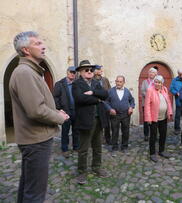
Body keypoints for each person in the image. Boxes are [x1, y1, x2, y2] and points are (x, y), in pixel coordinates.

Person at [9, 31, 69, 203]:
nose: (43, 46)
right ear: (26, 50)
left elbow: (38, 105)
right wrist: (59, 118)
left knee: (28, 186)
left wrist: (56, 112)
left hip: (35, 139)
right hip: (35, 141)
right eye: (37, 43)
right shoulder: (24, 73)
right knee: (34, 193)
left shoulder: (30, 71)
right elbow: (36, 110)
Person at [72, 60, 109, 184]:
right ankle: (82, 172)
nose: (89, 72)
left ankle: (96, 167)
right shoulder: (77, 84)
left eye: (91, 70)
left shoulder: (96, 83)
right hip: (86, 121)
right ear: (81, 72)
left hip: (99, 120)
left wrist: (93, 93)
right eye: (86, 70)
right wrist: (97, 100)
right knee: (83, 149)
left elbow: (105, 94)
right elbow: (80, 98)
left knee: (98, 147)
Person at [144, 75, 173, 162]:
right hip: (153, 118)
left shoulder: (164, 89)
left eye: (159, 82)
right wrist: (148, 118)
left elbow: (168, 101)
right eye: (155, 82)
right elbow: (147, 105)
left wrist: (170, 112)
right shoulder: (150, 90)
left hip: (163, 117)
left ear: (162, 83)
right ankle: (152, 153)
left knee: (163, 135)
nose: (157, 84)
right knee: (153, 136)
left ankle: (161, 150)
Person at [53, 66, 79, 158]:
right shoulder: (59, 84)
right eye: (71, 72)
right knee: (65, 131)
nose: (73, 74)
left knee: (76, 130)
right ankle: (65, 149)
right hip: (65, 112)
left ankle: (76, 147)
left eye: (74, 72)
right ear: (67, 72)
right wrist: (59, 109)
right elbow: (55, 97)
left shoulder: (77, 84)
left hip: (76, 111)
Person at [106, 75, 135, 152]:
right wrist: (110, 109)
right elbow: (106, 102)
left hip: (126, 114)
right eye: (117, 81)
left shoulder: (127, 91)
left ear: (123, 82)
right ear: (115, 82)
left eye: (120, 82)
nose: (118, 83)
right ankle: (114, 147)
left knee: (125, 131)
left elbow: (132, 100)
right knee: (114, 131)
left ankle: (124, 147)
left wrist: (131, 107)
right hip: (114, 115)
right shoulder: (110, 91)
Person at [93, 65, 112, 145]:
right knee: (97, 123)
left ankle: (108, 139)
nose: (101, 70)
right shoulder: (92, 80)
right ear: (95, 71)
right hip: (97, 104)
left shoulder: (105, 80)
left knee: (107, 123)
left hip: (106, 104)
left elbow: (109, 90)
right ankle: (96, 139)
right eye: (99, 69)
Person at [141, 67, 158, 141]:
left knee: (155, 119)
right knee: (146, 120)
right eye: (150, 72)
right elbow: (143, 91)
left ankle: (154, 134)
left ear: (156, 74)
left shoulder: (157, 81)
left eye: (153, 72)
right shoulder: (145, 82)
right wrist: (150, 97)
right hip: (146, 103)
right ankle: (146, 135)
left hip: (155, 104)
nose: (151, 74)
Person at [170, 69, 182, 136]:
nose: (181, 76)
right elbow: (171, 88)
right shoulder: (175, 80)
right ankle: (177, 129)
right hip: (179, 101)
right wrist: (175, 92)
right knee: (177, 116)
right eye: (179, 74)